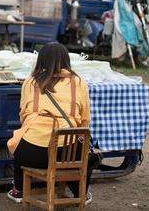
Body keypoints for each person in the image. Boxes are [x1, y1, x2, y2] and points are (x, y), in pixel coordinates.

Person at [7, 42, 93, 204]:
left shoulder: (31, 82)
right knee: (85, 152)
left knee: (19, 141)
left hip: (32, 154)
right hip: (67, 154)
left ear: (41, 60)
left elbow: (24, 115)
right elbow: (85, 119)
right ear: (66, 60)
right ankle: (80, 192)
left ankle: (18, 190)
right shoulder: (78, 82)